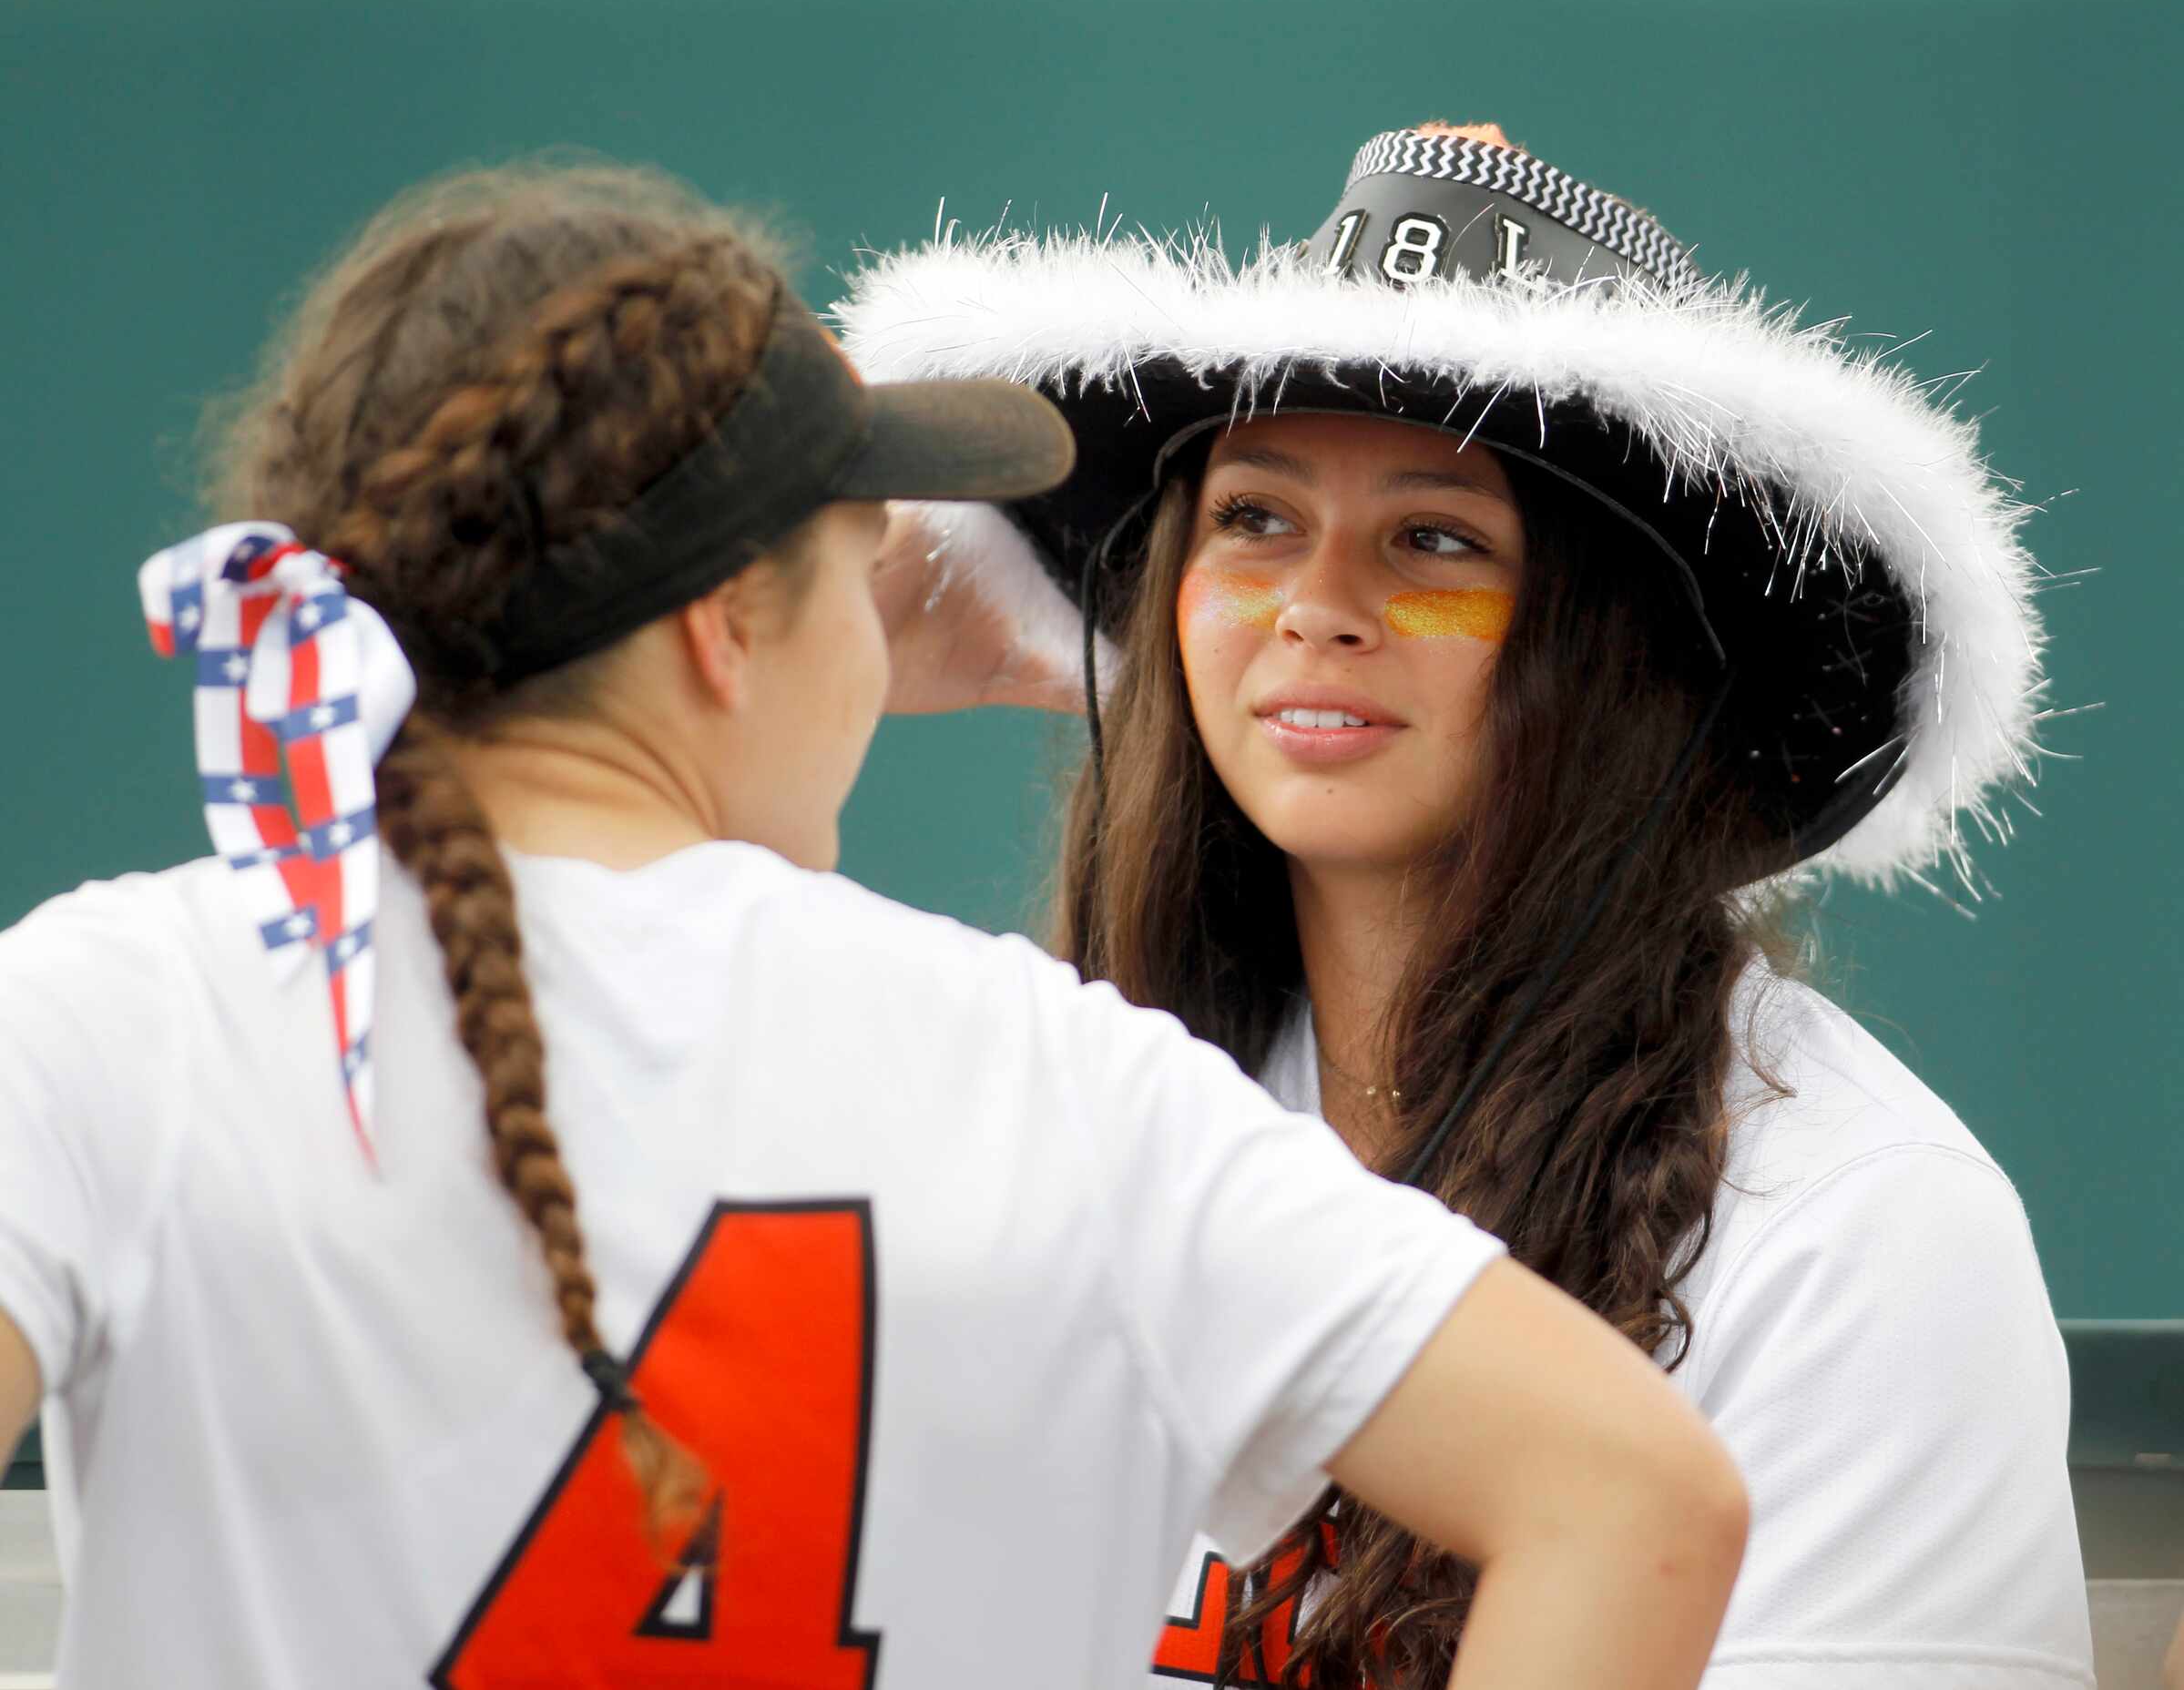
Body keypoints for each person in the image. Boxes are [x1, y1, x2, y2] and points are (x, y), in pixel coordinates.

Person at [0, 159, 1749, 1689]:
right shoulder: (1061, 1083)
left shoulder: (108, 1015)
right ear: (718, 626)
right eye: (859, 559)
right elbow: (1636, 1500)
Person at [840, 123, 2094, 1687]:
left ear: (1614, 657)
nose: (1313, 607)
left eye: (1434, 539)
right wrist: (812, 656)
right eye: (1250, 520)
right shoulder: (1071, 1102)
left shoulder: (1861, 1228)